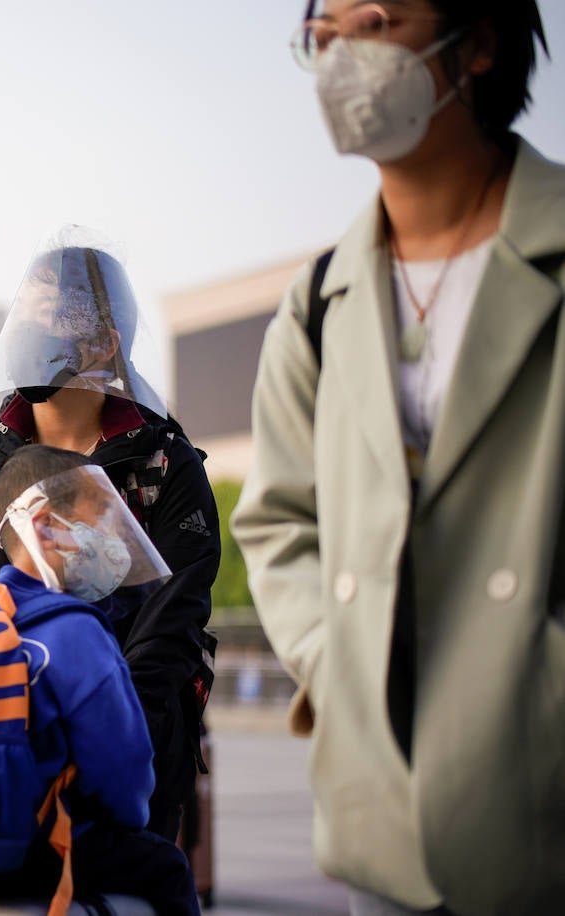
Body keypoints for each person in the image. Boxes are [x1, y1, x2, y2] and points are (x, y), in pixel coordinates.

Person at [232, 3, 561, 913]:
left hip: (542, 804)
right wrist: (342, 673)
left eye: (375, 19)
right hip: (381, 821)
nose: (343, 56)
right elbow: (277, 520)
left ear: (480, 40)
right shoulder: (317, 302)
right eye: (324, 33)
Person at [0, 227, 220, 842]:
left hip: (131, 746)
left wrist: (100, 728)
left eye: (51, 318)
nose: (28, 335)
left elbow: (171, 621)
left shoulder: (164, 463)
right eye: (23, 317)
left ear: (104, 344)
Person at [0, 445, 198, 915]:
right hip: (19, 848)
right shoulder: (76, 630)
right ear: (47, 527)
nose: (113, 543)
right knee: (167, 867)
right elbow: (127, 780)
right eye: (102, 524)